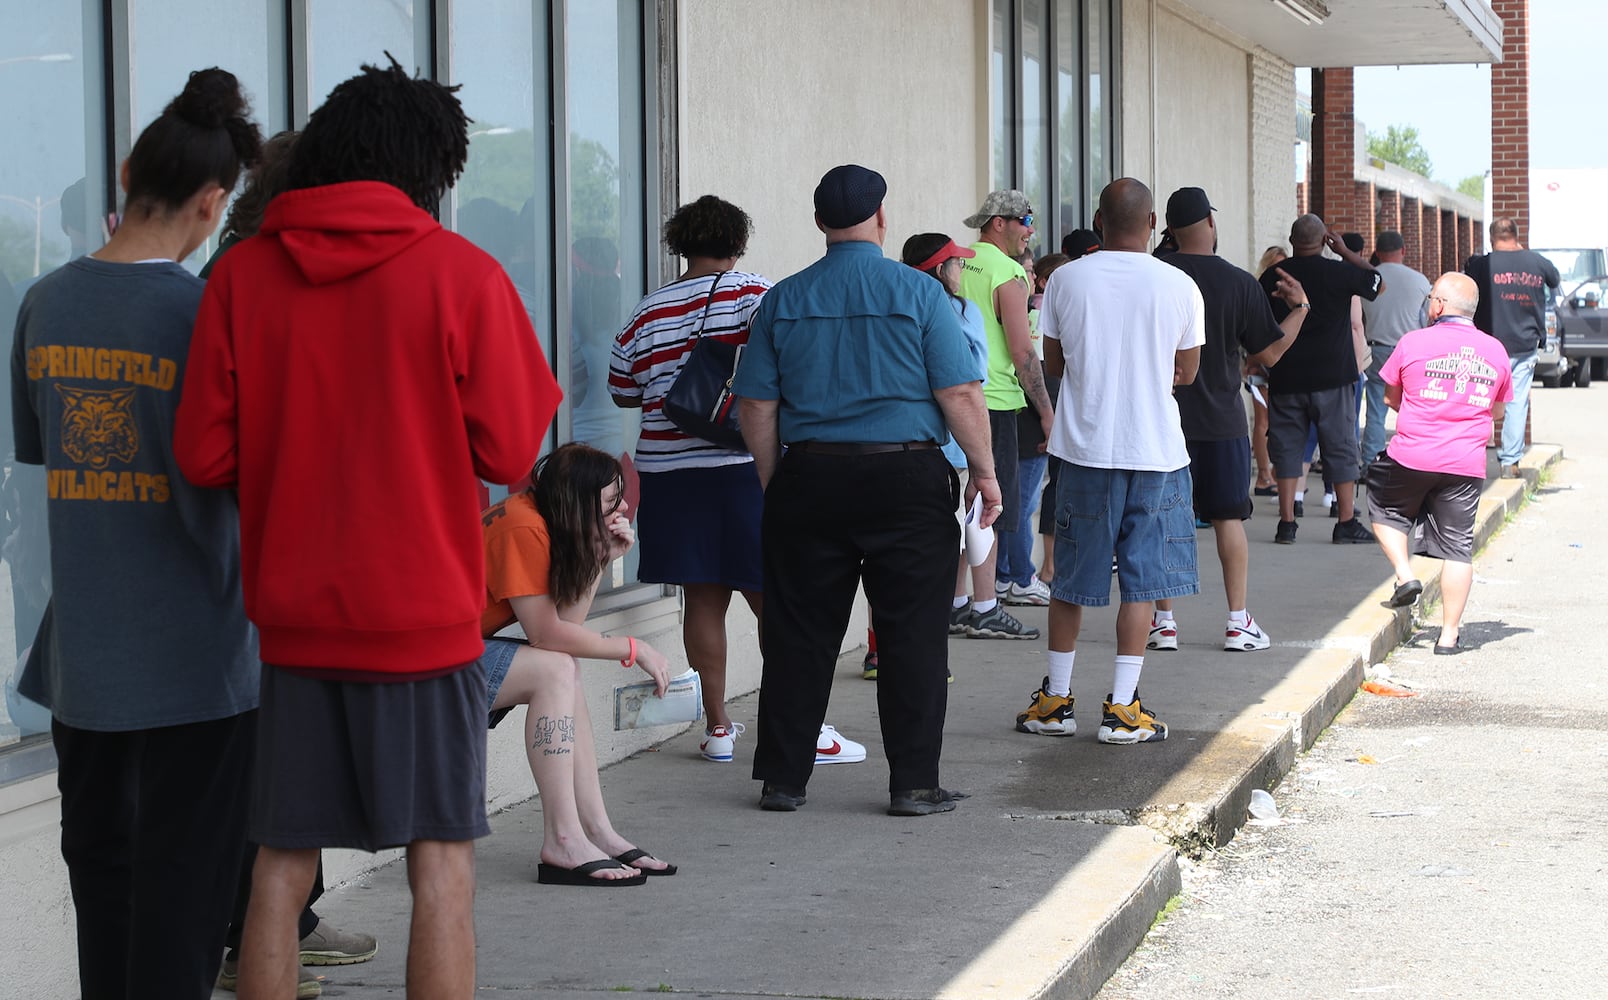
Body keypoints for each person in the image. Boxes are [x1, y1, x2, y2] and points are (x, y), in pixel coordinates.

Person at [173, 57, 561, 1000]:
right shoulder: (464, 276)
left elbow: (203, 459)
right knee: (442, 866)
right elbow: (515, 448)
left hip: (294, 625)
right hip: (424, 628)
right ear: (433, 171)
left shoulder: (242, 278)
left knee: (278, 866)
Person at [10, 68, 262, 1000]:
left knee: (102, 881)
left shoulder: (44, 304)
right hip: (201, 659)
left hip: (85, 661)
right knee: (186, 900)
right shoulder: (205, 318)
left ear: (125, 176)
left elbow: (44, 467)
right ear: (211, 203)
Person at [733, 164, 999, 816]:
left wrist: (777, 479)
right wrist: (985, 471)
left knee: (798, 633)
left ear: (820, 223)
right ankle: (913, 782)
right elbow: (960, 391)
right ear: (882, 219)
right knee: (912, 634)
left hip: (809, 474)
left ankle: (784, 780)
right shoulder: (920, 294)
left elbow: (756, 405)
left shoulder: (785, 299)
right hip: (907, 478)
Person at [196, 127, 377, 1000]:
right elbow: (208, 448)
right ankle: (257, 933)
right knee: (264, 772)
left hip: (267, 564)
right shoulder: (245, 277)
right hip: (250, 567)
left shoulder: (243, 269)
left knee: (275, 770)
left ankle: (283, 925)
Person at [1014, 178, 1203, 743]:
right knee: (1143, 584)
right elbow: (1188, 373)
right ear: (1151, 225)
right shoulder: (1179, 284)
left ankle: (1055, 700)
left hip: (1083, 450)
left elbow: (1053, 361)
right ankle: (1123, 708)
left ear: (1099, 221)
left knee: (1070, 580)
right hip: (1157, 453)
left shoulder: (1067, 279)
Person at [607, 195, 770, 762]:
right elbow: (786, 364)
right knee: (771, 595)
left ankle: (719, 729)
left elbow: (621, 389)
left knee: (702, 598)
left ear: (681, 242)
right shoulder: (754, 294)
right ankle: (791, 720)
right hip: (742, 468)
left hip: (669, 473)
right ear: (737, 241)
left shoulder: (647, 310)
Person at [481, 444, 673, 885]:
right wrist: (634, 647)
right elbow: (548, 636)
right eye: (610, 501)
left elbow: (565, 629)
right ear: (575, 502)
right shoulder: (524, 529)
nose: (623, 507)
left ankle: (598, 832)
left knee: (564, 668)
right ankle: (564, 839)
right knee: (557, 669)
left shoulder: (538, 517)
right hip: (419, 666)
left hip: (448, 652)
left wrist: (601, 556)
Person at [1146, 188, 1310, 654]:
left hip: (1162, 419)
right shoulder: (1239, 282)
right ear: (1211, 224)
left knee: (1162, 521)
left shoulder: (1159, 275)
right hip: (1221, 421)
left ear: (1170, 230)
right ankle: (1237, 622)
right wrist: (1300, 308)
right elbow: (1271, 354)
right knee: (1227, 518)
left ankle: (1164, 621)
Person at [1367, 273, 1512, 653]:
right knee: (1458, 549)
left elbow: (1390, 398)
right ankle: (1448, 637)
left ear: (1441, 305)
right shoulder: (1496, 351)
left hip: (1413, 454)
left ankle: (1404, 574)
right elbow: (1497, 410)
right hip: (1466, 462)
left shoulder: (1413, 342)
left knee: (1385, 510)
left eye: (1431, 297)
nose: (1428, 303)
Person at [954, 190, 1055, 637]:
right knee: (992, 507)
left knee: (964, 505)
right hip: (995, 403)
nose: (1030, 229)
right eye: (1025, 220)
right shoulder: (1010, 272)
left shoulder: (958, 261)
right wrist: (1047, 412)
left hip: (952, 399)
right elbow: (1022, 350)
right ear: (999, 222)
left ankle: (957, 603)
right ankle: (986, 606)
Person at [1258, 214, 1382, 545]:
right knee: (1340, 448)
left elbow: (1257, 323)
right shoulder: (1340, 272)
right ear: (1324, 239)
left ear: (1291, 240)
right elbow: (1376, 282)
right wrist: (1345, 252)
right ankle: (1345, 522)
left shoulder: (1273, 276)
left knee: (1287, 449)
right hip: (1333, 377)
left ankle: (1286, 523)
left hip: (1286, 376)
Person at [896, 233, 989, 654]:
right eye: (957, 263)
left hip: (905, 444)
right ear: (940, 270)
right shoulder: (962, 311)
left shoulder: (897, 303)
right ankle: (967, 609)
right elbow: (971, 378)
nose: (961, 270)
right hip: (953, 446)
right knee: (963, 531)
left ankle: (952, 606)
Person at [1463, 217, 1559, 478]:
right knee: (1516, 403)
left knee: (1478, 400)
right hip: (1524, 343)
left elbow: (1465, 289)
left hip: (1487, 345)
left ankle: (1471, 458)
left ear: (1492, 239)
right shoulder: (1537, 262)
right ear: (1516, 236)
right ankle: (1510, 463)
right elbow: (1554, 279)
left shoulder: (1481, 265)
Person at [1359, 230, 1432, 467]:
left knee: (1375, 411)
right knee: (1414, 409)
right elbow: (1428, 319)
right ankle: (1416, 460)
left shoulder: (1367, 277)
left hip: (1377, 349)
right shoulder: (1419, 280)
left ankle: (1371, 463)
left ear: (1378, 253)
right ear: (1403, 251)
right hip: (1410, 351)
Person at [1250, 245, 1289, 495]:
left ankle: (1277, 472)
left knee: (1280, 421)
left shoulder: (1291, 295)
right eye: (1275, 266)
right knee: (1263, 420)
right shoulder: (1257, 290)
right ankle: (1264, 475)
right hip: (1259, 364)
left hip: (1285, 367)